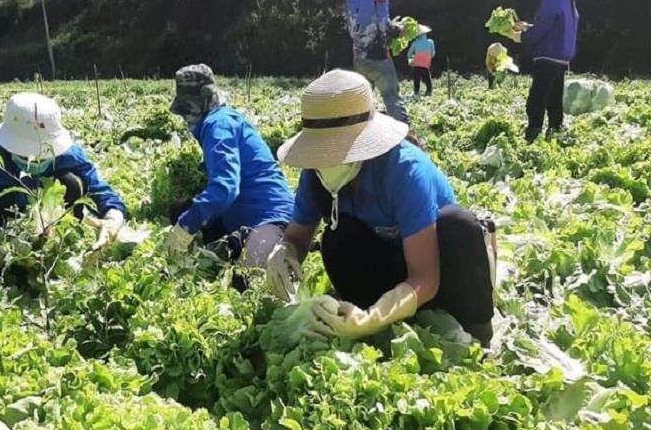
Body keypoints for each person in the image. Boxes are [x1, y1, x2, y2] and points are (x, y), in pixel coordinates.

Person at [266, 70, 496, 345]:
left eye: (337, 150)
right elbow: (297, 237)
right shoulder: (315, 174)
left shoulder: (404, 170)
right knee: (338, 238)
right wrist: (283, 252)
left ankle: (476, 330)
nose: (327, 161)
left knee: (459, 225)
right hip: (385, 268)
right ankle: (372, 317)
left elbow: (425, 277)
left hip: (439, 270)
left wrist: (376, 317)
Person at [0, 92, 125, 265]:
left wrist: (112, 221)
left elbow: (101, 191)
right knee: (0, 198)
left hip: (49, 221)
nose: (35, 160)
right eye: (26, 154)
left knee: (72, 182)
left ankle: (58, 240)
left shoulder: (68, 155)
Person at [165, 64, 294, 267]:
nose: (186, 119)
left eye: (186, 112)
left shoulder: (217, 126)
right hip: (238, 215)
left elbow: (225, 188)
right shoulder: (220, 119)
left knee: (249, 275)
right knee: (180, 210)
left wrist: (185, 228)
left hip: (272, 218)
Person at [516, 0, 585, 142]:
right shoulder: (569, 1)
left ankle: (533, 133)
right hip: (562, 58)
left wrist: (523, 36)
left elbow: (543, 28)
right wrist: (528, 27)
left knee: (537, 98)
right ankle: (555, 130)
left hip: (547, 56)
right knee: (554, 98)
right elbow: (555, 27)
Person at [346, 0, 409, 124]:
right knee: (391, 96)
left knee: (364, 100)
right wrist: (400, 30)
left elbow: (352, 28)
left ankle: (363, 136)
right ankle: (405, 135)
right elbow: (384, 25)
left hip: (359, 57)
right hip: (378, 56)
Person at [407, 25, 435, 96]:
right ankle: (429, 91)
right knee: (427, 79)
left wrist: (411, 59)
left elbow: (409, 54)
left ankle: (416, 92)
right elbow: (433, 54)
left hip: (416, 64)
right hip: (426, 64)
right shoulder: (430, 42)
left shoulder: (415, 43)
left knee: (416, 79)